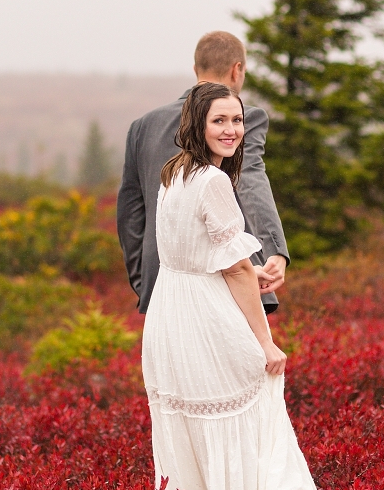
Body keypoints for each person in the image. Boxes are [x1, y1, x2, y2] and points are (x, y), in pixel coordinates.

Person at [139, 82, 326, 490]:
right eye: (219, 120)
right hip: (204, 320)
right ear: (197, 123)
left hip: (171, 314)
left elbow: (207, 257)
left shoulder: (173, 173)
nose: (231, 130)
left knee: (195, 440)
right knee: (247, 420)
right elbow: (235, 267)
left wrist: (250, 275)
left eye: (237, 120)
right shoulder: (215, 182)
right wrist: (265, 341)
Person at [117, 31, 289, 316]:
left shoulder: (143, 126)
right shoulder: (243, 120)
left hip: (160, 283)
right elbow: (250, 180)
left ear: (196, 69)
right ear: (238, 70)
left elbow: (130, 211)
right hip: (230, 283)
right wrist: (275, 250)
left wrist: (142, 278)